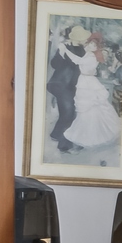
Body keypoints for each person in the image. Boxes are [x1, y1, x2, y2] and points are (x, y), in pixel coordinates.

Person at [61, 31, 122, 150]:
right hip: (85, 81)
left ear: (96, 48)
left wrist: (65, 50)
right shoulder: (88, 54)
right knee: (86, 110)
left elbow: (77, 61)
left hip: (87, 83)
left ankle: (88, 136)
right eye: (90, 44)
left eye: (94, 45)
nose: (91, 46)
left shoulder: (91, 56)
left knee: (89, 109)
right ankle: (86, 134)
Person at [46, 24, 88, 153]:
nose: (84, 40)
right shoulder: (64, 47)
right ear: (77, 38)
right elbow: (54, 64)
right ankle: (64, 146)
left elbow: (81, 67)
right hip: (59, 84)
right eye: (82, 37)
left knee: (71, 112)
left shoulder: (82, 51)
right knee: (68, 112)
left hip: (72, 86)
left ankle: (56, 134)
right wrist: (61, 54)